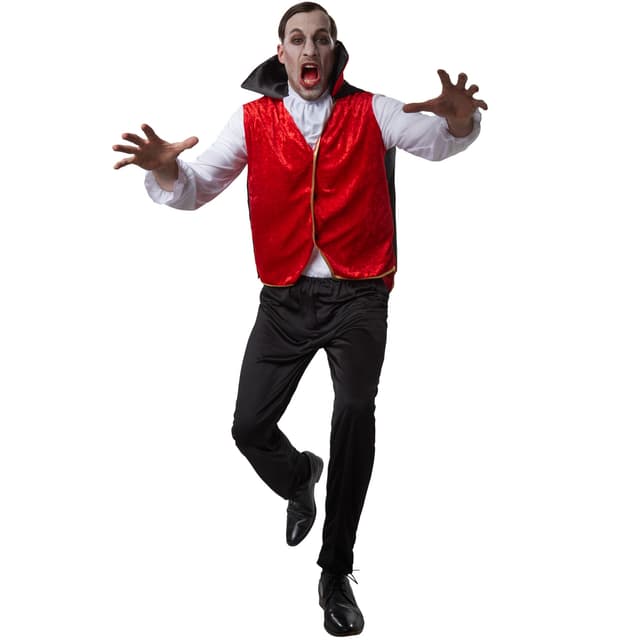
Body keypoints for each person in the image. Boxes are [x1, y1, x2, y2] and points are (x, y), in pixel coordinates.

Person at [113, 3, 487, 636]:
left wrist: (457, 120)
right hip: (284, 298)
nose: (310, 49)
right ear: (281, 51)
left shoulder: (374, 110)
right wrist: (167, 166)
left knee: (354, 415)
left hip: (359, 294)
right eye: (298, 39)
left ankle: (335, 570)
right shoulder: (252, 120)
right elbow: (197, 186)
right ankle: (298, 475)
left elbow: (436, 140)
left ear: (335, 50)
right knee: (248, 425)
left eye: (321, 39)